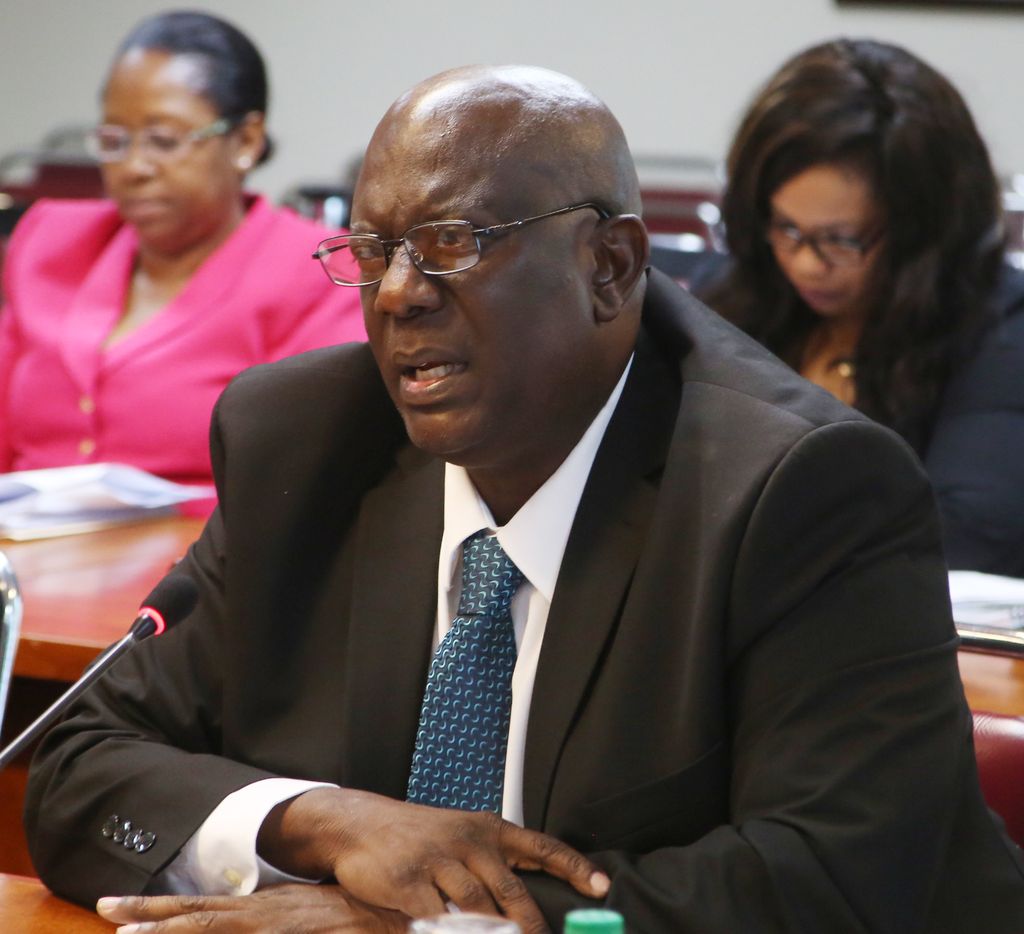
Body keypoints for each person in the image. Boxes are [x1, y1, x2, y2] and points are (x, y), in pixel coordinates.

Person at [25, 65, 1024, 933]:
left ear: (611, 265)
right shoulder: (303, 443)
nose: (398, 293)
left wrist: (424, 924)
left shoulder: (797, 489)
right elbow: (74, 765)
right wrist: (321, 822)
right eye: (372, 251)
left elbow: (830, 880)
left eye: (452, 241)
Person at [0, 11, 363, 503]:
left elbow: (302, 489)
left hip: (202, 550)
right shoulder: (51, 241)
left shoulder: (320, 272)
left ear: (246, 141)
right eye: (114, 140)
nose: (134, 167)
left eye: (164, 140)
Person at [692, 37, 1024, 577]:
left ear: (925, 232)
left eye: (842, 239)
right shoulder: (737, 298)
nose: (806, 265)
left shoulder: (1002, 329)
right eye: (786, 228)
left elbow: (967, 536)